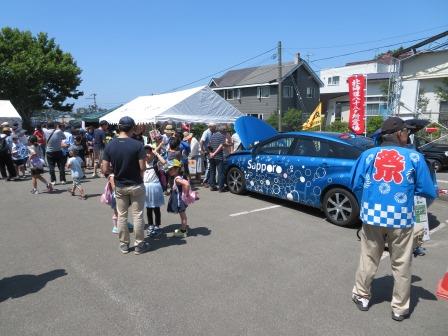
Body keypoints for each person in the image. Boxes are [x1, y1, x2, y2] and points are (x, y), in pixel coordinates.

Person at [350, 116, 437, 321]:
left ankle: (362, 296)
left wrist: (368, 203)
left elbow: (356, 184)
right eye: (406, 131)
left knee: (369, 258)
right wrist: (411, 203)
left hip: (371, 217)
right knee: (402, 263)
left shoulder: (368, 155)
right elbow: (427, 191)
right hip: (401, 219)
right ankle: (399, 308)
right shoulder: (414, 158)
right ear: (399, 134)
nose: (408, 135)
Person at [102, 116, 148, 255]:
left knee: (122, 216)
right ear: (132, 128)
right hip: (136, 184)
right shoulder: (138, 145)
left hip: (120, 185)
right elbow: (142, 167)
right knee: (138, 215)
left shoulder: (110, 145)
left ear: (119, 127)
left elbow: (104, 169)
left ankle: (124, 245)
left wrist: (115, 172)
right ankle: (139, 245)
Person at [143, 144, 166, 238]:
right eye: (145, 153)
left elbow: (164, 162)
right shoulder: (142, 162)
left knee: (156, 208)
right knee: (148, 209)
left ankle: (157, 226)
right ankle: (150, 225)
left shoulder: (156, 163)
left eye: (149, 153)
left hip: (155, 187)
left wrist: (156, 153)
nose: (147, 155)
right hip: (146, 187)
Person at [166, 159, 191, 238]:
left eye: (171, 169)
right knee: (182, 214)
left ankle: (183, 231)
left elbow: (186, 184)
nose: (169, 171)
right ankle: (183, 227)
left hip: (180, 199)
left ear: (177, 169)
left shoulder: (177, 178)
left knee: (182, 215)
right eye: (169, 169)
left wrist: (186, 193)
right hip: (180, 198)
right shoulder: (180, 176)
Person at [209, 124, 226, 192]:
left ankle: (212, 186)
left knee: (212, 172)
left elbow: (209, 145)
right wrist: (214, 153)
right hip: (218, 156)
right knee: (220, 172)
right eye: (225, 130)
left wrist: (210, 153)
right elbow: (221, 146)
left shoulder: (213, 135)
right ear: (223, 130)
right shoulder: (222, 136)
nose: (226, 131)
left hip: (211, 156)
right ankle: (221, 188)